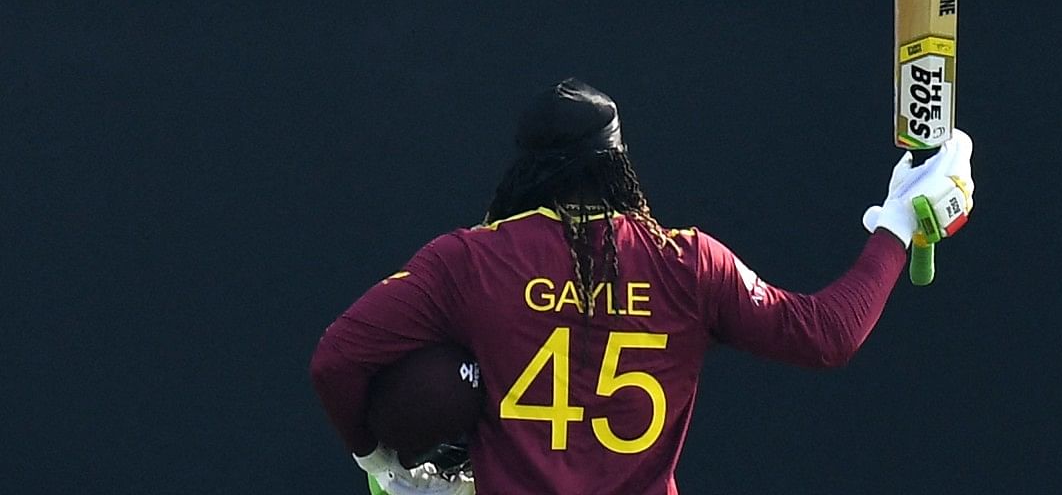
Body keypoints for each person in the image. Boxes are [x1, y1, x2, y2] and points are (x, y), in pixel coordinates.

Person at [310, 78, 975, 495]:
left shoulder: (469, 261)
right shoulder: (686, 263)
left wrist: (379, 463)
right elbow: (830, 335)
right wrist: (894, 227)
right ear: (620, 163)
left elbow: (336, 360)